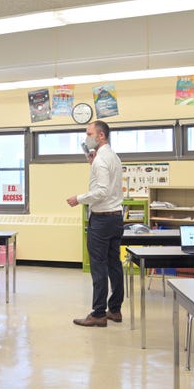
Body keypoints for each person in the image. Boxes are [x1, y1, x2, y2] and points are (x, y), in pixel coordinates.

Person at [66, 120, 124, 327]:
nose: (86, 138)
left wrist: (78, 199)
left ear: (101, 136)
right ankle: (115, 310)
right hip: (116, 217)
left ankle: (98, 313)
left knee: (98, 267)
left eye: (89, 133)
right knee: (114, 264)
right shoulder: (113, 157)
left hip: (102, 219)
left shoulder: (100, 161)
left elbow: (101, 191)